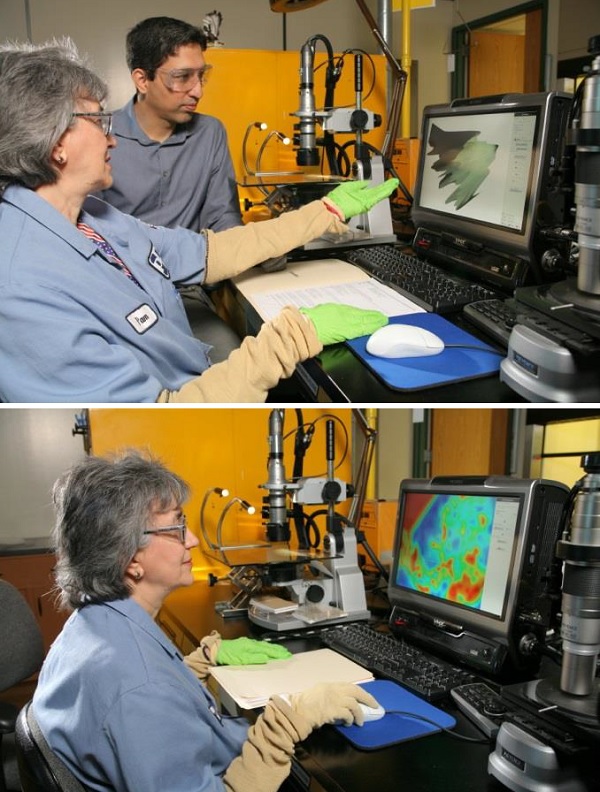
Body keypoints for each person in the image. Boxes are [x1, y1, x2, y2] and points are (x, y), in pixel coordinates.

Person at [0, 39, 396, 403]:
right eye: (96, 120)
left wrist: (321, 213)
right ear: (55, 143)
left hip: (190, 369)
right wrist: (288, 340)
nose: (112, 138)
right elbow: (163, 410)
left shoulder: (95, 218)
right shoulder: (22, 287)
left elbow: (210, 251)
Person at [33, 451, 379, 792]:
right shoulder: (141, 687)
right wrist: (290, 719)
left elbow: (140, 700)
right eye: (177, 526)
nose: (193, 540)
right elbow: (142, 695)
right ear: (129, 557)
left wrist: (194, 664)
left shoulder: (95, 623)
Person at [100, 16, 241, 233]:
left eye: (201, 75)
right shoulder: (100, 136)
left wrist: (252, 247)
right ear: (143, 80)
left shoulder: (210, 133)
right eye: (182, 77)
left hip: (194, 265)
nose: (198, 92)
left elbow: (222, 216)